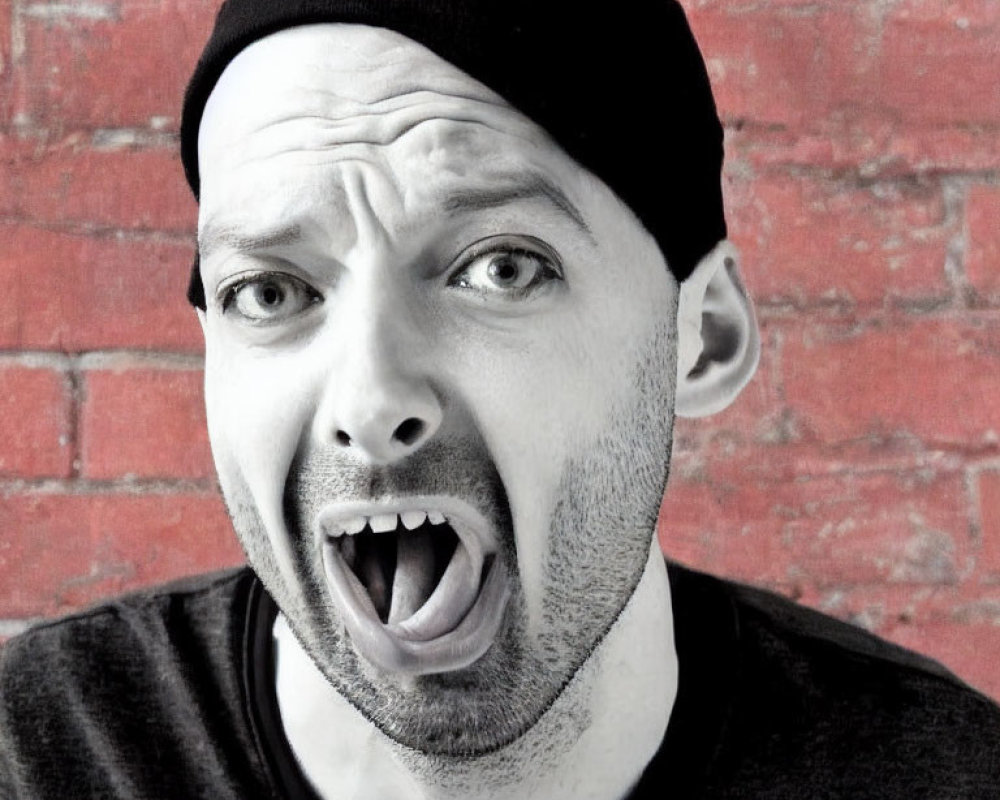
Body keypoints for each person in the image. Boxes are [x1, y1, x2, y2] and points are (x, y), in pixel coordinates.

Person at [1, 2, 998, 798]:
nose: (371, 397)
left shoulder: (943, 772)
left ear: (704, 334)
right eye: (270, 291)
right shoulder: (37, 755)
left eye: (502, 268)